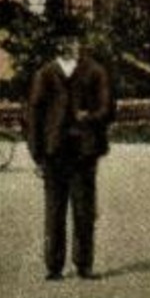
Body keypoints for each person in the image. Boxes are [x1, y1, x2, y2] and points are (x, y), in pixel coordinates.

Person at [26, 29, 115, 281]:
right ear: (56, 44)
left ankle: (83, 264)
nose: (71, 45)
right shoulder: (44, 74)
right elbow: (33, 116)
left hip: (84, 151)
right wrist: (37, 154)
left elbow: (108, 108)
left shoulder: (95, 71)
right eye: (65, 40)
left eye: (74, 40)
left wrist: (91, 117)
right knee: (54, 211)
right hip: (54, 153)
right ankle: (54, 266)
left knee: (84, 210)